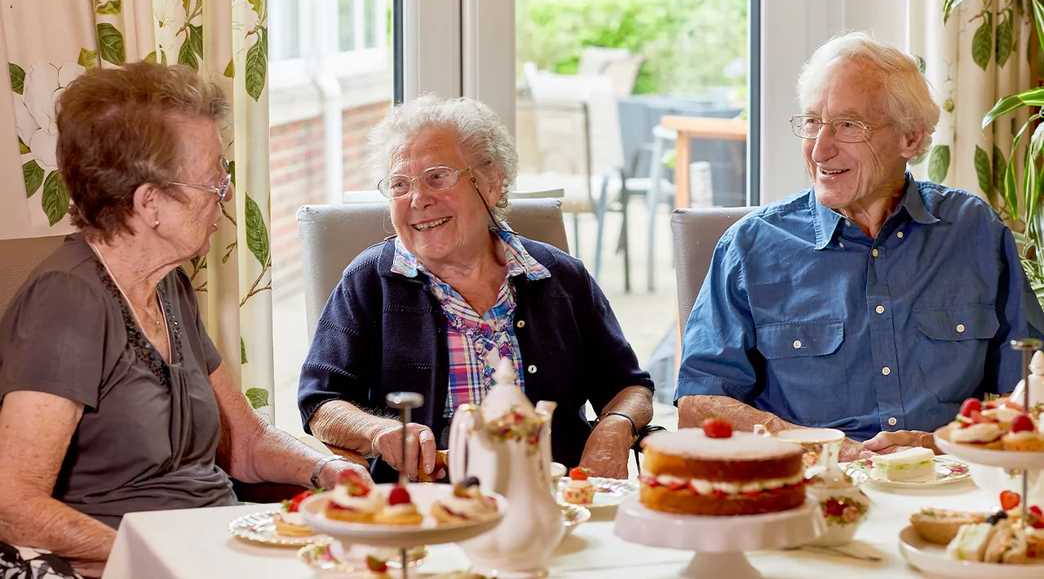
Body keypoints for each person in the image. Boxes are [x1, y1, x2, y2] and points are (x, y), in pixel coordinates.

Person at [0, 62, 369, 578]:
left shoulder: (168, 284)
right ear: (150, 203)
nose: (224, 193)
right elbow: (14, 504)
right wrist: (155, 561)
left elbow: (245, 444)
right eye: (213, 178)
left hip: (216, 543)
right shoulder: (67, 301)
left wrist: (328, 469)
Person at [676, 32, 1044, 460]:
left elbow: (1030, 382)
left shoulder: (973, 229)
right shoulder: (751, 245)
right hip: (812, 490)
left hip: (951, 485)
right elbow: (698, 405)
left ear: (910, 139)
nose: (819, 149)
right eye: (812, 122)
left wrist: (940, 444)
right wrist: (818, 445)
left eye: (849, 125)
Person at [298, 96, 653, 481]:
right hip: (426, 503)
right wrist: (378, 430)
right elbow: (321, 402)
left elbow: (629, 385)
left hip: (552, 496)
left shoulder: (558, 277)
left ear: (493, 182)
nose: (418, 199)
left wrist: (616, 425)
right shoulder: (370, 280)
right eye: (400, 185)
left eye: (437, 176)